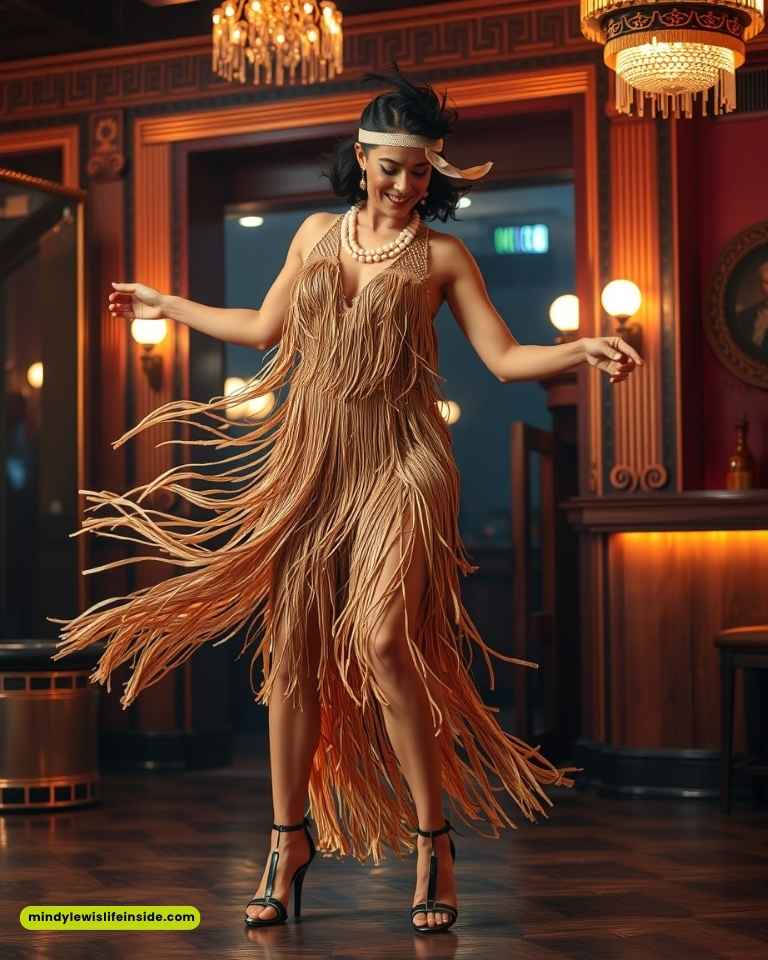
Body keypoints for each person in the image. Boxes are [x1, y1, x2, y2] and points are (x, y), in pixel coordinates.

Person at [50, 66, 642, 934]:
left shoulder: (442, 256)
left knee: (380, 636)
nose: (407, 187)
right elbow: (262, 329)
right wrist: (164, 302)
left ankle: (431, 841)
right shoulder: (315, 237)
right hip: (313, 462)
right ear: (362, 158)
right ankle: (289, 843)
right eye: (392, 167)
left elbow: (506, 359)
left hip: (403, 461)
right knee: (291, 653)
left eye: (420, 173)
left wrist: (582, 348)